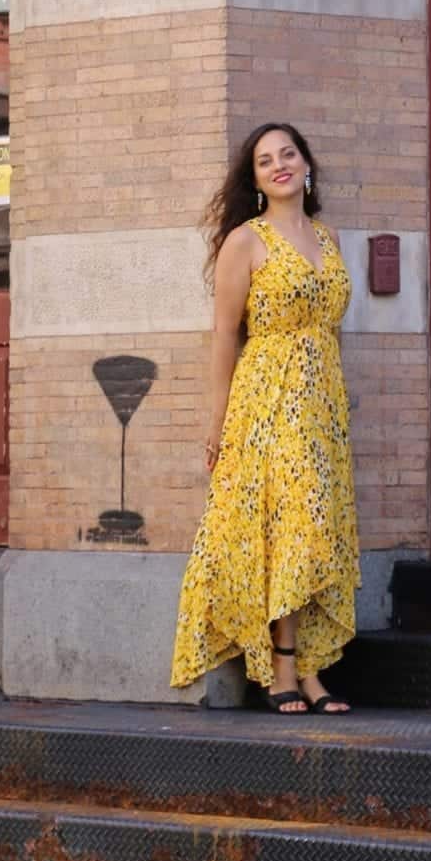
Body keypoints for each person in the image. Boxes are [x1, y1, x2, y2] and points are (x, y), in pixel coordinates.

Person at [170, 122, 359, 712]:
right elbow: (225, 335)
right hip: (267, 401)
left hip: (321, 405)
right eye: (263, 160)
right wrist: (217, 421)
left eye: (288, 154)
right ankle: (285, 671)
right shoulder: (245, 242)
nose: (278, 165)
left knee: (313, 531)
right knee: (289, 530)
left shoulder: (327, 239)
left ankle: (305, 667)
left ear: (306, 165)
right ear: (253, 179)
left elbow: (329, 329)